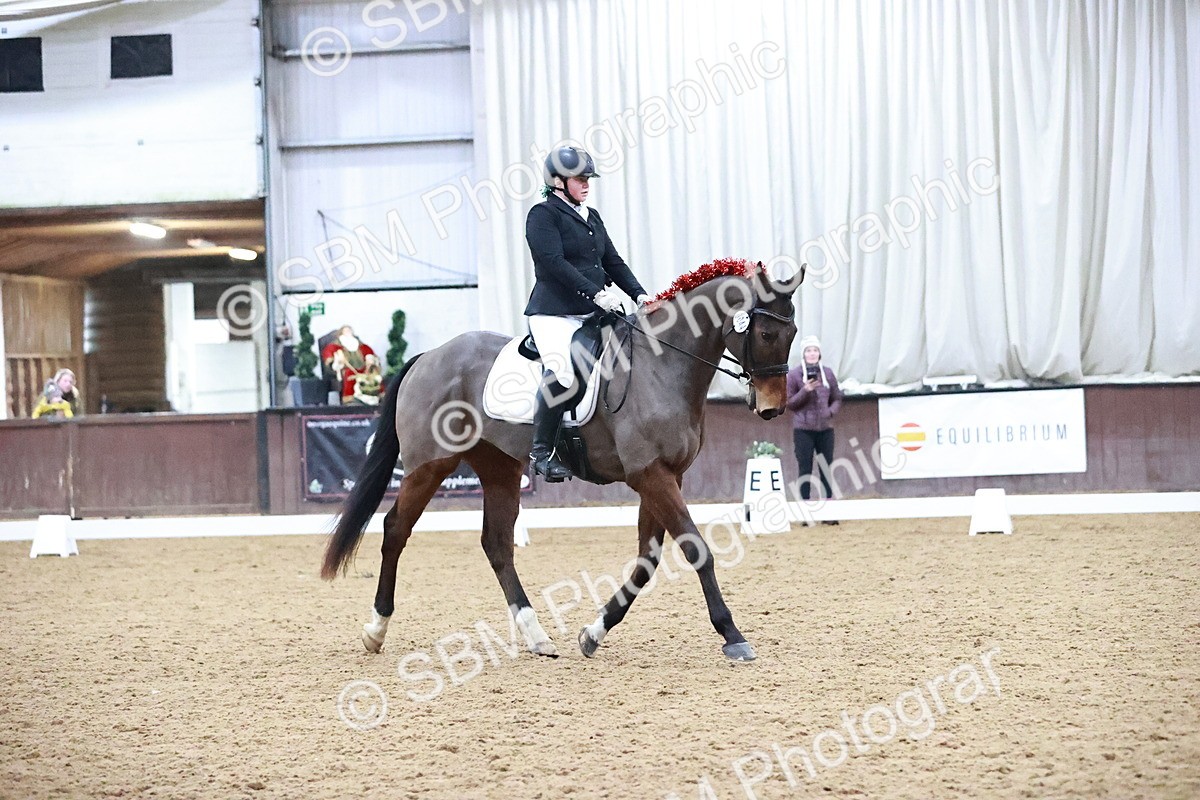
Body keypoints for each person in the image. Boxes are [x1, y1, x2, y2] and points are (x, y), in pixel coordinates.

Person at [524, 144, 651, 481]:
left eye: (588, 179)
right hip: (554, 315)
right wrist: (595, 292)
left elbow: (612, 262)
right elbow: (553, 263)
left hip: (592, 312)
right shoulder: (542, 215)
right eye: (579, 179)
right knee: (564, 373)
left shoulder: (591, 216)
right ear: (558, 182)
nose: (586, 184)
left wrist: (640, 295)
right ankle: (541, 453)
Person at [786, 336, 843, 520]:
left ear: (819, 353)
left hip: (825, 428)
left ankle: (828, 512)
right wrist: (805, 390)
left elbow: (837, 397)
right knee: (805, 468)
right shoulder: (794, 375)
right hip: (803, 429)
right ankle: (805, 512)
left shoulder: (827, 373)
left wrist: (830, 412)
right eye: (809, 350)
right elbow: (790, 403)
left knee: (826, 468)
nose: (812, 354)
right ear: (803, 354)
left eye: (815, 350)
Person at [321, 326, 379, 405]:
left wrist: (370, 359)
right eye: (346, 331)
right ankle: (350, 399)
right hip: (346, 369)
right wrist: (337, 361)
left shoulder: (360, 345)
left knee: (372, 374)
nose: (348, 332)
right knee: (349, 374)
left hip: (363, 368)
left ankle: (373, 396)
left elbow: (368, 352)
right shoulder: (334, 346)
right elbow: (329, 358)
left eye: (349, 330)